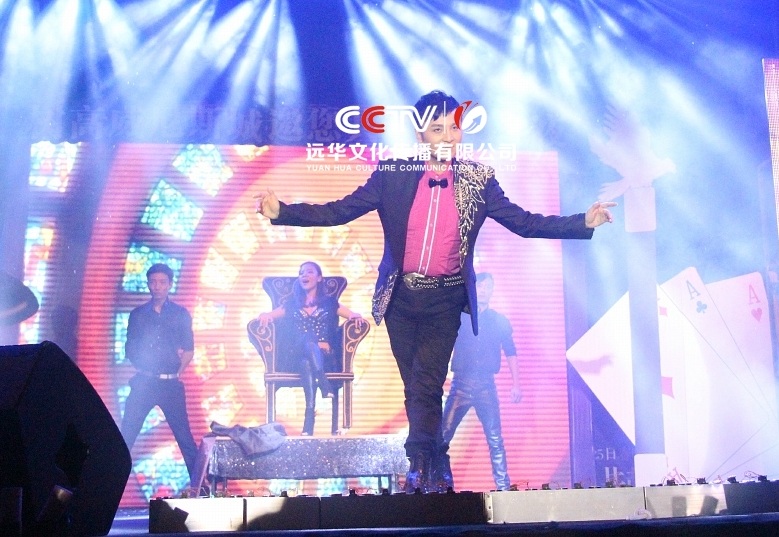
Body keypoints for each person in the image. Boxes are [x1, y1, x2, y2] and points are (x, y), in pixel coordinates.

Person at [256, 90, 614, 491]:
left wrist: (582, 222)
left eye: (454, 128)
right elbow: (339, 210)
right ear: (420, 133)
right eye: (438, 128)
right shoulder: (393, 174)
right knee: (416, 387)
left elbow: (524, 222)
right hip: (401, 299)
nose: (448, 136)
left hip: (445, 299)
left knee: (427, 383)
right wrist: (282, 212)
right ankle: (436, 460)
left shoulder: (478, 180)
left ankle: (418, 466)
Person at [259, 261, 366, 436]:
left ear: (319, 278)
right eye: (301, 273)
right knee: (307, 339)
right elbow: (269, 315)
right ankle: (323, 382)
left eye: (309, 272)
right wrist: (264, 316)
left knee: (307, 363)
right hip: (294, 357)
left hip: (324, 358)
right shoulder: (291, 304)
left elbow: (351, 315)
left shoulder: (330, 303)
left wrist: (355, 316)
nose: (304, 275)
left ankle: (309, 420)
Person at [120, 263, 200, 482]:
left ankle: (201, 488)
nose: (157, 286)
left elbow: (189, 349)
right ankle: (106, 487)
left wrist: (175, 372)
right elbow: (130, 348)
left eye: (162, 282)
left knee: (185, 439)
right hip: (144, 383)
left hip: (170, 385)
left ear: (170, 285)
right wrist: (144, 365)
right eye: (153, 282)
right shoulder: (138, 314)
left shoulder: (180, 314)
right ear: (148, 284)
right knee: (125, 437)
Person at [441, 272, 519, 491]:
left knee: (495, 439)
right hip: (461, 384)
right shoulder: (459, 316)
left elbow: (510, 351)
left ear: (492, 291)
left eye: (488, 286)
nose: (483, 290)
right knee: (442, 437)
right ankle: (441, 483)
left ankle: (503, 487)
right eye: (480, 286)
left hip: (486, 385)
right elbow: (442, 345)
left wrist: (516, 384)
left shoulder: (499, 321)